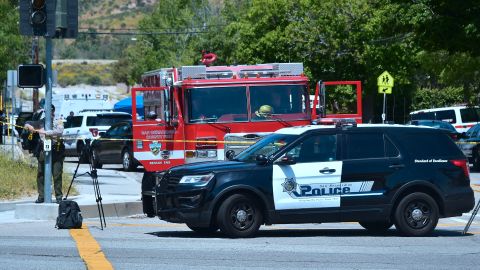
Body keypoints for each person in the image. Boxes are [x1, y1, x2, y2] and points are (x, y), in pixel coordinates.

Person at [24, 105, 65, 204]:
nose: (48, 113)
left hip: (56, 150)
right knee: (41, 174)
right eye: (46, 111)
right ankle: (41, 196)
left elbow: (60, 131)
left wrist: (46, 132)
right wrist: (29, 127)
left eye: (50, 111)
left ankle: (59, 196)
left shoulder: (58, 120)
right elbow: (26, 124)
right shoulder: (41, 122)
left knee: (57, 175)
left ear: (53, 112)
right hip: (43, 150)